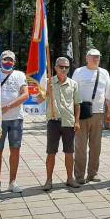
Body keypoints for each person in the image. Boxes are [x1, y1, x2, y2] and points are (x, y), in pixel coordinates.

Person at [0, 51, 29, 196]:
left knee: (15, 150)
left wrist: (8, 106)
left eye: (11, 60)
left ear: (15, 62)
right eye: (5, 59)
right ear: (0, 60)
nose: (8, 62)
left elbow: (25, 94)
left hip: (16, 118)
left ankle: (12, 182)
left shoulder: (19, 75)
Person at [39, 57, 81, 191]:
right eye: (61, 66)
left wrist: (77, 121)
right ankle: (48, 180)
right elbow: (39, 99)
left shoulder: (73, 84)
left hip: (68, 122)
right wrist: (47, 92)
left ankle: (70, 179)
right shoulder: (48, 82)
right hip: (53, 121)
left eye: (66, 67)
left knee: (69, 152)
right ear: (55, 67)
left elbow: (77, 104)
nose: (64, 69)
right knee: (51, 152)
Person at [72, 49, 110, 184]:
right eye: (93, 57)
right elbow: (73, 91)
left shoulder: (104, 73)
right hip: (82, 113)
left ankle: (92, 174)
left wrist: (108, 114)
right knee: (80, 146)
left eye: (98, 57)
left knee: (96, 146)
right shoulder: (79, 72)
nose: (96, 59)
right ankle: (79, 175)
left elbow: (108, 95)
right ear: (87, 58)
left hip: (98, 114)